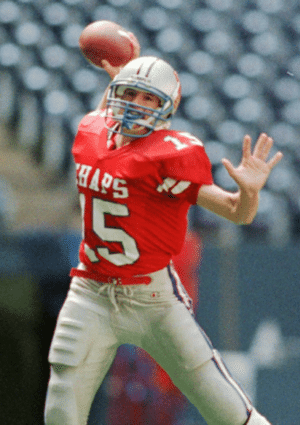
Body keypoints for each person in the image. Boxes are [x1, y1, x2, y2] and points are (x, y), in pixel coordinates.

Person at [44, 55, 283, 425]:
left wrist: (249, 193)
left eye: (149, 99)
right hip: (91, 291)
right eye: (130, 94)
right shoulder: (90, 132)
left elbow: (238, 213)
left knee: (225, 405)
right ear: (114, 94)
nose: (137, 105)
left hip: (153, 298)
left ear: (167, 108)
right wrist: (124, 72)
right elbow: (103, 126)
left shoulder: (171, 155)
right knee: (62, 403)